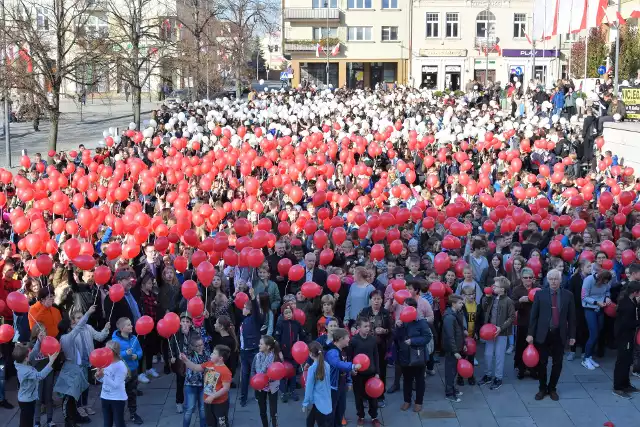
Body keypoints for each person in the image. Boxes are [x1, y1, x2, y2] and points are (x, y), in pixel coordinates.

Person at [527, 269, 576, 401]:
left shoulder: (568, 295)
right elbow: (534, 316)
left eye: (556, 279)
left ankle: (552, 388)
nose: (554, 281)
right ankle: (542, 388)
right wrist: (530, 333)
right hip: (543, 333)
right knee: (542, 363)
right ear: (547, 280)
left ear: (561, 280)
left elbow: (571, 317)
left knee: (558, 363)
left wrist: (572, 336)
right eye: (551, 279)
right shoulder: (540, 294)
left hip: (559, 334)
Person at [394, 297, 432, 412]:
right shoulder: (403, 320)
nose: (404, 308)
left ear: (414, 308)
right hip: (405, 354)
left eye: (406, 306)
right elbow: (397, 338)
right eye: (403, 306)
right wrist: (398, 326)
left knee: (419, 379)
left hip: (418, 354)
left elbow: (427, 337)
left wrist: (413, 341)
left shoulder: (421, 321)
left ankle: (419, 402)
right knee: (407, 379)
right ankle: (407, 400)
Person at [180, 344, 233, 427]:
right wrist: (185, 360)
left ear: (220, 358)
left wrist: (213, 396)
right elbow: (195, 367)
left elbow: (226, 388)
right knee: (210, 422)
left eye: (214, 353)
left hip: (219, 403)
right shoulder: (209, 364)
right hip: (207, 401)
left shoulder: (225, 371)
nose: (211, 354)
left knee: (221, 423)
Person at [478, 276, 515, 391]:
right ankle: (488, 375)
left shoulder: (508, 301)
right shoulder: (492, 298)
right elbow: (484, 307)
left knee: (499, 356)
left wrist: (501, 327)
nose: (493, 287)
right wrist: (487, 298)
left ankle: (498, 377)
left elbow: (512, 317)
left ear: (503, 289)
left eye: (496, 286)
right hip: (489, 331)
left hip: (501, 333)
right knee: (488, 354)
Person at [357, 290, 391, 408]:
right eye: (374, 298)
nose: (377, 301)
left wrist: (384, 331)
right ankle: (365, 396)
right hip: (365, 347)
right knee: (366, 371)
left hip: (381, 347)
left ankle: (380, 395)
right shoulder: (365, 312)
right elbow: (357, 326)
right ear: (370, 300)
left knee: (381, 371)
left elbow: (391, 330)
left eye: (379, 298)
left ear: (382, 300)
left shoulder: (386, 313)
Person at [14, 343, 58, 427]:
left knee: (25, 420)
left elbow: (33, 351)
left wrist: (39, 341)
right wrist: (51, 362)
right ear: (26, 358)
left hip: (25, 399)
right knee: (26, 423)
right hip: (27, 401)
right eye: (28, 354)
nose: (30, 354)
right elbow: (40, 375)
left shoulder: (20, 364)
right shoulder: (26, 371)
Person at [347, 316, 380, 426]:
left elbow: (376, 356)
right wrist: (351, 370)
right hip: (358, 374)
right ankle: (360, 416)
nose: (367, 328)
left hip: (371, 373)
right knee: (358, 396)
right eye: (365, 326)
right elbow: (349, 357)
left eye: (368, 326)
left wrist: (377, 373)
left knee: (373, 397)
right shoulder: (354, 341)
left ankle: (374, 416)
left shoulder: (373, 340)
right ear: (359, 327)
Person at [111, 317, 144, 425]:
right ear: (121, 328)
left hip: (133, 370)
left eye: (131, 324)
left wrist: (137, 355)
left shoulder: (134, 338)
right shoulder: (115, 341)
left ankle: (133, 413)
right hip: (121, 372)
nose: (132, 326)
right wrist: (126, 353)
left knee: (132, 393)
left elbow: (140, 351)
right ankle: (118, 415)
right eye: (128, 325)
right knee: (120, 395)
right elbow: (113, 355)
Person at [274, 301, 308, 402]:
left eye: (290, 312)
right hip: (283, 353)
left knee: (293, 372)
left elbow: (303, 336)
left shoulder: (296, 324)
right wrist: (279, 351)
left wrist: (306, 346)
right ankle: (284, 392)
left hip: (294, 353)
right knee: (283, 373)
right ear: (283, 314)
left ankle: (292, 391)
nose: (288, 314)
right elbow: (276, 339)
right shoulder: (280, 324)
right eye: (286, 313)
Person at [612, 281, 640, 398]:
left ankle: (626, 384)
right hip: (624, 336)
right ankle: (618, 386)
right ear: (635, 292)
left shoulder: (630, 300)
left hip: (628, 335)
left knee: (627, 360)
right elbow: (627, 323)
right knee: (622, 361)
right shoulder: (627, 306)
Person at [581, 270, 613, 370]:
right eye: (604, 282)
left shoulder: (606, 282)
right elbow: (584, 296)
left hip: (600, 309)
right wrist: (596, 302)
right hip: (590, 308)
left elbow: (608, 291)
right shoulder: (588, 280)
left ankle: (589, 356)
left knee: (598, 332)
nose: (606, 284)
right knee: (593, 333)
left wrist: (607, 298)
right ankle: (585, 358)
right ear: (600, 279)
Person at [238, 287, 262, 407]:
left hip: (253, 351)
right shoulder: (244, 321)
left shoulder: (255, 319)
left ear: (249, 309)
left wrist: (253, 299)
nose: (242, 309)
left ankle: (258, 395)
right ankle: (243, 397)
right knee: (244, 375)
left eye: (244, 307)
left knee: (255, 374)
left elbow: (257, 310)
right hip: (244, 352)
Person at [95, 341, 128, 427]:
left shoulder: (121, 366)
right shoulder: (105, 363)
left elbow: (116, 385)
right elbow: (103, 381)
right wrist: (99, 376)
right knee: (107, 423)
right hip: (105, 397)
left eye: (106, 349)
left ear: (113, 352)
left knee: (119, 423)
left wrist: (104, 376)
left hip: (117, 399)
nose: (104, 351)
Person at [251, 335, 281, 427]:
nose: (259, 345)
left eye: (261, 344)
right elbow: (253, 370)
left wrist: (270, 378)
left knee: (273, 412)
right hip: (260, 387)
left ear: (268, 347)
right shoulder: (257, 357)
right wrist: (256, 382)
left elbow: (279, 371)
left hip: (272, 386)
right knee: (262, 411)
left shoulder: (275, 358)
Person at [511, 267, 535, 379]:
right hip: (523, 322)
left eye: (530, 277)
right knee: (521, 345)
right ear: (522, 278)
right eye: (526, 277)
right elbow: (512, 306)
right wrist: (520, 301)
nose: (528, 279)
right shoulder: (517, 290)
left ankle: (534, 369)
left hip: (535, 322)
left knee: (535, 346)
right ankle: (521, 369)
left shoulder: (538, 288)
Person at [181, 335, 210, 427]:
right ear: (193, 346)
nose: (201, 347)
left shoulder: (207, 353)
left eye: (202, 344)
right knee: (189, 409)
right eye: (198, 345)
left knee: (203, 409)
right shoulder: (189, 354)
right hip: (191, 385)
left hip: (204, 385)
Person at [303, 341, 332, 427]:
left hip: (318, 401)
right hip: (326, 400)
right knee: (311, 421)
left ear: (310, 354)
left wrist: (305, 403)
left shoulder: (312, 368)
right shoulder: (326, 365)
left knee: (315, 422)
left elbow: (309, 387)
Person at [443, 294, 465, 402]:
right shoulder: (449, 317)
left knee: (454, 370)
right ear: (453, 304)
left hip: (457, 347)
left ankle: (452, 389)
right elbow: (450, 336)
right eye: (460, 303)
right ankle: (449, 393)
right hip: (452, 349)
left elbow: (460, 331)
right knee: (450, 371)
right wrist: (455, 351)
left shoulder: (456, 313)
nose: (462, 304)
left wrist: (463, 344)